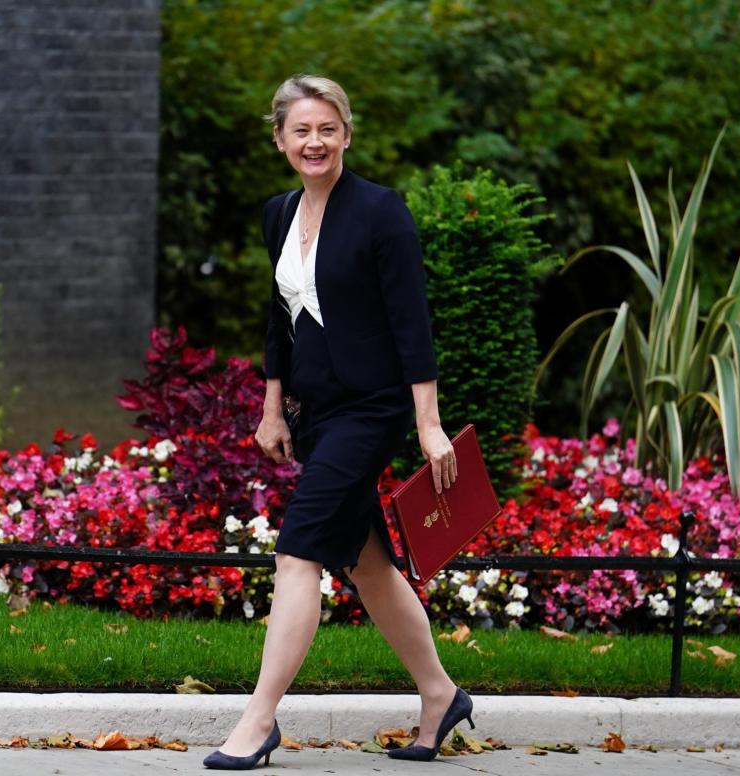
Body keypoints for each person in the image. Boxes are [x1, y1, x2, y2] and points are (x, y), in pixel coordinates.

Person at [202, 74, 474, 771]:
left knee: (298, 550)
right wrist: (270, 407)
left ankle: (257, 721)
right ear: (280, 140)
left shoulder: (382, 213)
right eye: (301, 130)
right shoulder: (277, 214)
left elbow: (412, 324)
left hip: (374, 408)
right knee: (366, 565)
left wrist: (428, 424)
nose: (314, 141)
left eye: (326, 128)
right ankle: (440, 695)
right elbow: (277, 319)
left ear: (346, 134)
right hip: (316, 413)